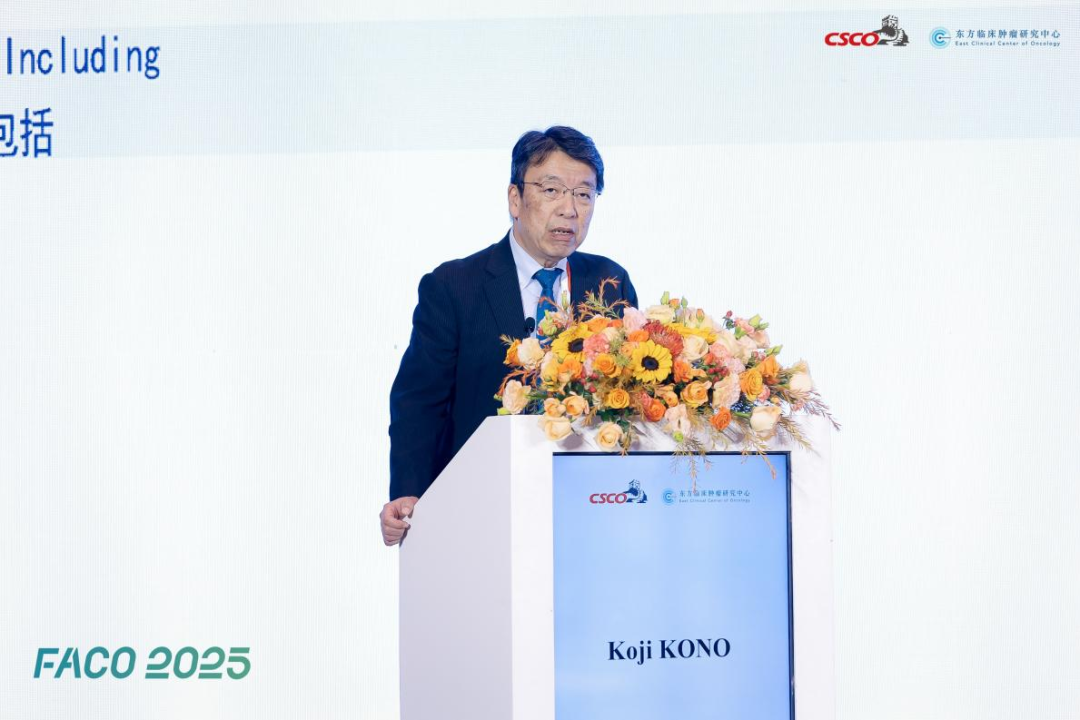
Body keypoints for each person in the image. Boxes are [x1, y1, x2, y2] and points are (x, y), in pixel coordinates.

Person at [380, 126, 638, 545]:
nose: (570, 210)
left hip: (587, 508)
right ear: (515, 199)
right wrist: (409, 491)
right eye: (552, 190)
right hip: (480, 509)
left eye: (584, 194)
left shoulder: (609, 281)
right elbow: (420, 403)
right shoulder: (454, 286)